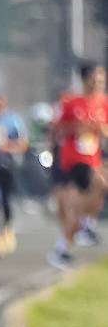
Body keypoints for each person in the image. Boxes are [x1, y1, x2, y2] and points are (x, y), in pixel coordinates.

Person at [51, 62, 108, 267]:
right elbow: (56, 128)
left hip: (93, 157)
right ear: (85, 80)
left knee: (77, 213)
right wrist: (77, 127)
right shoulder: (70, 102)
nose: (99, 84)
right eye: (95, 80)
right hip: (73, 159)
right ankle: (85, 225)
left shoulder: (103, 103)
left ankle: (63, 249)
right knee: (100, 182)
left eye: (101, 80)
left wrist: (100, 129)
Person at [0, 90, 30, 255]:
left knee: (6, 200)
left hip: (7, 164)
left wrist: (6, 146)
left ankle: (7, 228)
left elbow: (23, 143)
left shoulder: (12, 120)